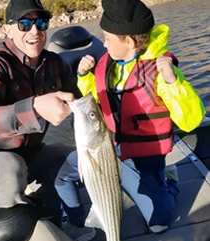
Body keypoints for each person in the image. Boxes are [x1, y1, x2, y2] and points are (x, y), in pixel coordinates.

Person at [55, 0, 206, 238]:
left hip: (145, 155)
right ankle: (74, 222)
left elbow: (191, 120)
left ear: (128, 41)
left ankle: (169, 184)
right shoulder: (107, 66)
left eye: (107, 38)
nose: (102, 44)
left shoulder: (160, 70)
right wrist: (83, 76)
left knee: (159, 224)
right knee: (62, 176)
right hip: (109, 149)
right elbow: (94, 102)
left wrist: (171, 81)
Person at [0, 0, 82, 231]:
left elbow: (81, 104)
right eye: (24, 24)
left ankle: (70, 225)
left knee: (78, 160)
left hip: (31, 153)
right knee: (10, 168)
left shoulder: (55, 63)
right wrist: (34, 107)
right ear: (7, 30)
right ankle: (29, 232)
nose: (35, 31)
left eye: (41, 23)